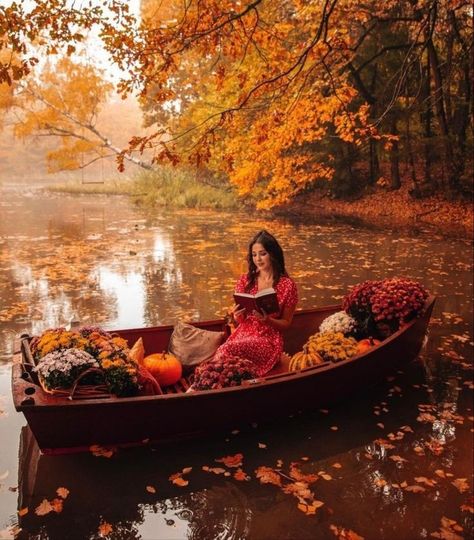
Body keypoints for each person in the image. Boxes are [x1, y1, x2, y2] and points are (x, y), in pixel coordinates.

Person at [214, 230, 298, 376]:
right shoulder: (245, 280)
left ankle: (204, 391)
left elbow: (286, 323)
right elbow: (240, 321)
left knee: (226, 351)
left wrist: (268, 320)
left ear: (273, 254)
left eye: (263, 253)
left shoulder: (287, 285)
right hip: (243, 334)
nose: (258, 259)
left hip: (268, 340)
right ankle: (202, 390)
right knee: (224, 359)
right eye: (254, 255)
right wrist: (237, 316)